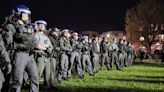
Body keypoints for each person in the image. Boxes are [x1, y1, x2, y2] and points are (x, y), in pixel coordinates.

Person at [4, 4, 39, 92]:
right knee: (17, 81)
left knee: (35, 78)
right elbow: (8, 44)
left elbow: (33, 41)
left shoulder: (28, 28)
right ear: (18, 13)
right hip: (19, 55)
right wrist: (23, 46)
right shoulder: (11, 26)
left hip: (30, 55)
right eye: (25, 14)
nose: (27, 16)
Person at [34, 19, 53, 88]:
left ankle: (47, 86)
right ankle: (34, 87)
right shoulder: (35, 34)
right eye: (40, 25)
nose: (42, 26)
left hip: (47, 56)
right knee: (37, 73)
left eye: (43, 25)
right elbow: (36, 45)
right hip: (40, 55)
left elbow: (50, 45)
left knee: (47, 73)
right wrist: (46, 49)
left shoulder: (46, 36)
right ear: (37, 26)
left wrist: (49, 49)